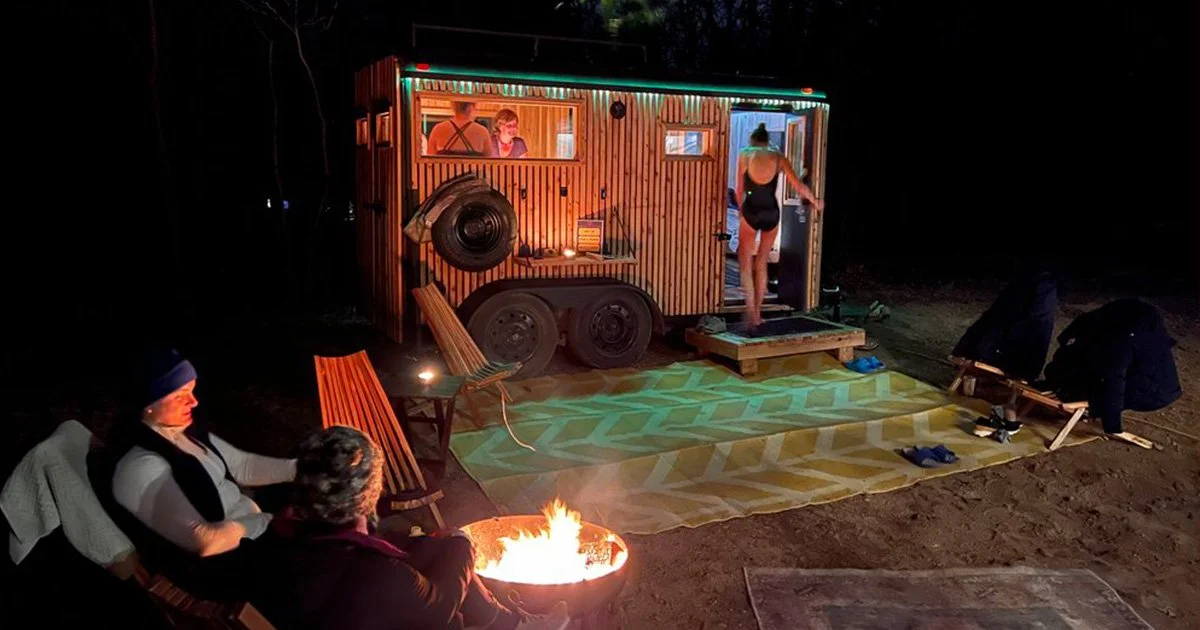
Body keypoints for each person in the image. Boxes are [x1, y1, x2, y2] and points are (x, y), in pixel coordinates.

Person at [244, 426, 570, 630]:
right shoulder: (379, 576)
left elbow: (369, 544)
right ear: (369, 496)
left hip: (310, 610)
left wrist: (434, 545)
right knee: (451, 563)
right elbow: (441, 606)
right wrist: (462, 545)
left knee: (435, 549)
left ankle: (511, 624)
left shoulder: (278, 539)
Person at [89, 347, 296, 595]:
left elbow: (242, 466)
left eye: (192, 389)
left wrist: (304, 469)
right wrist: (267, 522)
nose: (193, 401)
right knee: (325, 555)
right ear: (148, 404)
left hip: (250, 532)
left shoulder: (180, 430)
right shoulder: (140, 465)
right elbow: (205, 541)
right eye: (180, 395)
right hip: (221, 568)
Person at [1043, 298, 1181, 435]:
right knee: (1083, 364)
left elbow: (1115, 380)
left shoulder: (1120, 343)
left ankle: (1089, 399)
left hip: (1157, 391)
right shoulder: (1092, 322)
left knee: (1112, 383)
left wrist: (1111, 424)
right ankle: (1069, 387)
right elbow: (1069, 339)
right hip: (1129, 341)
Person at [735, 123, 823, 327]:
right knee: (762, 263)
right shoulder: (778, 157)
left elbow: (740, 190)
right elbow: (798, 185)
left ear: (753, 140)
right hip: (771, 213)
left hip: (751, 211)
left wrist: (741, 212)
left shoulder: (745, 154)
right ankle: (758, 314)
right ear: (767, 141)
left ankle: (751, 310)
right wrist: (815, 201)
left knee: (746, 264)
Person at [428, 101, 493, 156]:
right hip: (473, 167)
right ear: (471, 107)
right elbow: (489, 161)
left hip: (444, 167)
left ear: (453, 106)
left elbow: (429, 158)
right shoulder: (482, 131)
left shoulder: (438, 129)